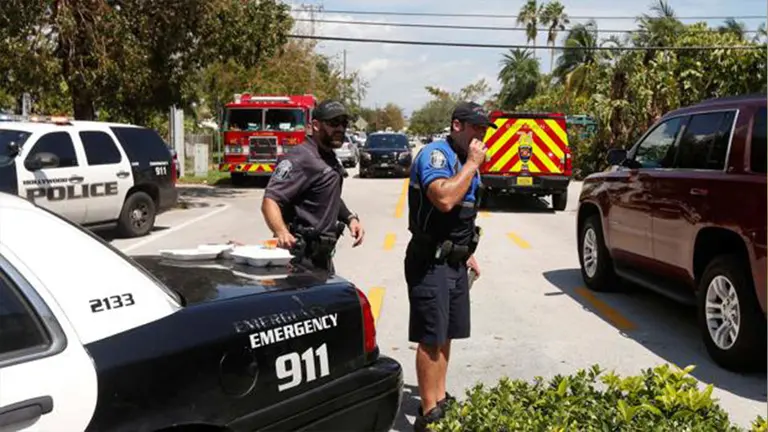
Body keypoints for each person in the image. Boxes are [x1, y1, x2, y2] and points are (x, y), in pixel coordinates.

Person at [404, 101, 495, 431]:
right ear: (457, 125)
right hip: (430, 262)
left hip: (453, 262)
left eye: (484, 131)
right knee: (431, 337)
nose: (480, 137)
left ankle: (440, 398)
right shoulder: (437, 155)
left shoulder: (463, 160)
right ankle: (428, 413)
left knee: (445, 335)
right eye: (476, 128)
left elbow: (463, 213)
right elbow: (443, 199)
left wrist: (465, 249)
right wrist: (472, 164)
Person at [261, 100, 365, 273]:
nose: (340, 128)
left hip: (321, 254)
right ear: (315, 125)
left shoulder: (327, 155)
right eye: (333, 123)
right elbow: (270, 200)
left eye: (343, 123)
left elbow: (327, 194)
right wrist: (281, 232)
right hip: (299, 258)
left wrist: (349, 218)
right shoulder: (301, 157)